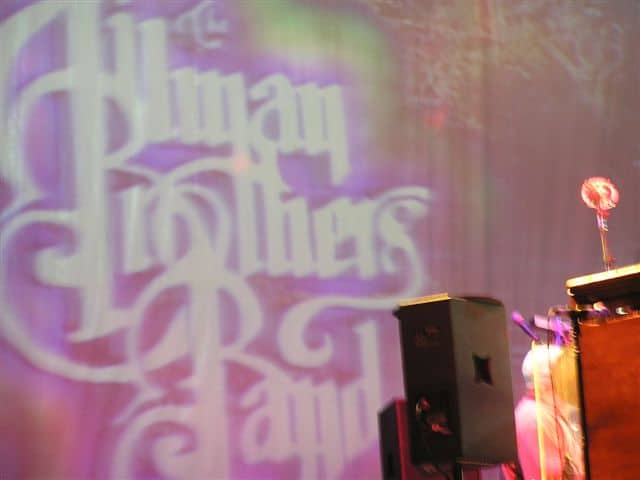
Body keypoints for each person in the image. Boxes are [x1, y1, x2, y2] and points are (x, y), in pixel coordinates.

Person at [503, 344, 584, 480]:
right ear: (544, 381)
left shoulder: (549, 413)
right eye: (566, 374)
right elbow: (552, 476)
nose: (574, 380)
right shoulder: (533, 417)